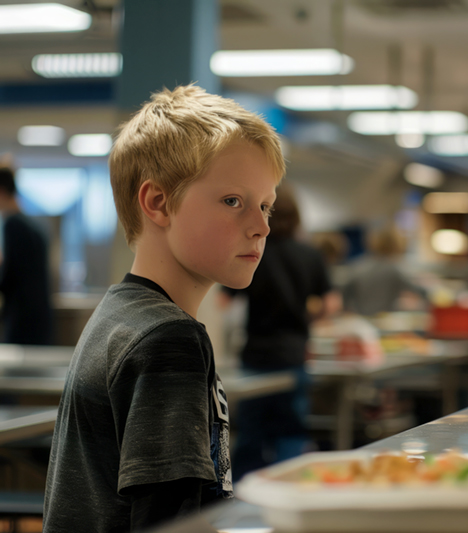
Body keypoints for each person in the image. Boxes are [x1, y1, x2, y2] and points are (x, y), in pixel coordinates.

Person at [43, 85, 284, 532]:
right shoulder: (168, 338)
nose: (261, 226)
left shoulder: (121, 313)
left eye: (266, 205)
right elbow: (169, 523)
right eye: (234, 201)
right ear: (157, 203)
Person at [220, 184, 339, 481]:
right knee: (291, 431)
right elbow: (331, 303)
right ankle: (289, 489)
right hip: (293, 354)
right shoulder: (309, 255)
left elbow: (224, 301)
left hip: (256, 356)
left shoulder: (250, 253)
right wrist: (306, 315)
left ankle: (240, 501)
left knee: (251, 432)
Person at [0, 165, 54, 345]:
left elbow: (9, 278)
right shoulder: (33, 228)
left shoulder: (12, 225)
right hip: (40, 322)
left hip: (21, 323)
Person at [342, 225, 425, 315]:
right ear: (395, 243)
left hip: (362, 321)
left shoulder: (357, 266)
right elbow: (419, 291)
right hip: (384, 320)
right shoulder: (394, 270)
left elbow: (344, 297)